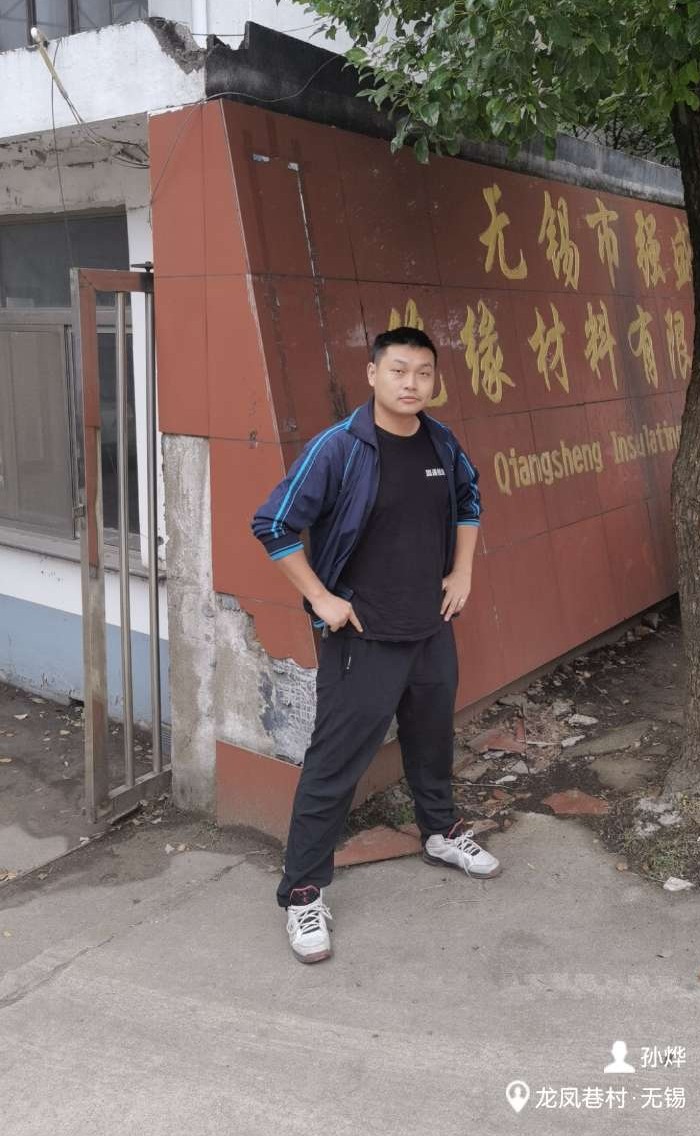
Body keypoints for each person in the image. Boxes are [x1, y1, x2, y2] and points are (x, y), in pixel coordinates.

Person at [251, 325, 501, 964]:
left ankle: (440, 831)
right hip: (362, 636)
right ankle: (303, 892)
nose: (411, 383)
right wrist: (320, 598)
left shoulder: (441, 442)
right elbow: (273, 524)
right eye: (398, 370)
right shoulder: (339, 448)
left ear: (434, 379)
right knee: (335, 763)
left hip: (430, 627)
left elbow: (469, 500)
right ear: (372, 374)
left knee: (431, 738)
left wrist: (463, 572)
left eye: (423, 372)